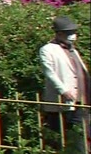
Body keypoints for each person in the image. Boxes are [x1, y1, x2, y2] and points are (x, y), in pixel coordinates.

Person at [39, 16, 90, 154]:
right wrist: (63, 90)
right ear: (59, 34)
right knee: (58, 135)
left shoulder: (73, 50)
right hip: (64, 100)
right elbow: (50, 73)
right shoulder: (48, 50)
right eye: (69, 33)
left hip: (81, 100)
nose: (73, 36)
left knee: (81, 135)